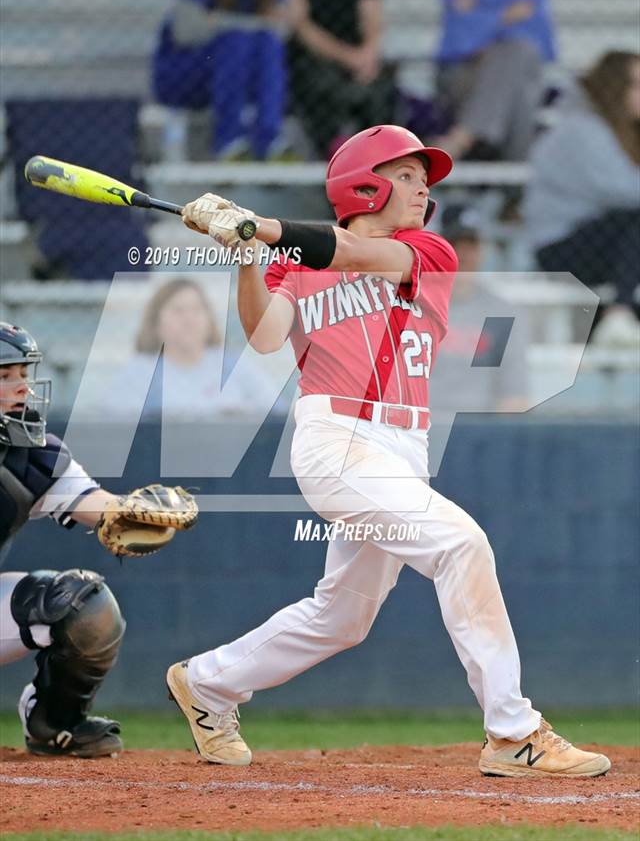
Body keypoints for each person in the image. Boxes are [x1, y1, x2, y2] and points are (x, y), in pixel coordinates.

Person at [168, 124, 610, 778]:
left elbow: (347, 252)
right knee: (462, 544)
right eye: (405, 174)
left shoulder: (426, 249)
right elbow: (265, 336)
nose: (421, 185)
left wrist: (256, 224)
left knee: (342, 616)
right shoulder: (294, 262)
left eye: (421, 176)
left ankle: (207, 683)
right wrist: (244, 255)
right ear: (364, 183)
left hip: (402, 448)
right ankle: (513, 730)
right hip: (338, 443)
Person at [0, 322, 195, 757]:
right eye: (4, 376)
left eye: (23, 376)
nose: (21, 389)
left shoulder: (31, 457)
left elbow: (101, 508)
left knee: (85, 606)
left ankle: (54, 723)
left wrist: (132, 512)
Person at [524, 51, 640, 348]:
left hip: (607, 245)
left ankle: (616, 320)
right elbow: (624, 191)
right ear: (615, 88)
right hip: (559, 249)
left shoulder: (620, 131)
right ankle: (620, 311)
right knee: (633, 220)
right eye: (637, 85)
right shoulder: (582, 129)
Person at [153, 0, 290, 160]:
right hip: (185, 76)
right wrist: (244, 27)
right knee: (236, 42)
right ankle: (229, 142)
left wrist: (218, 21)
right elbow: (185, 31)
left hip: (243, 73)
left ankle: (271, 140)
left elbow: (282, 28)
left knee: (269, 44)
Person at [103, 278, 278, 419]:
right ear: (156, 322)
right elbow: (119, 432)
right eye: (178, 311)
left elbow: (278, 414)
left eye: (197, 309)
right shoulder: (139, 373)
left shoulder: (234, 366)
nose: (189, 319)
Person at [434, 0, 555, 161]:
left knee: (518, 56)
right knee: (519, 76)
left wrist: (483, 14)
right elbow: (462, 32)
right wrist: (508, 15)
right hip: (464, 72)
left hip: (515, 69)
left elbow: (539, 35)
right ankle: (518, 177)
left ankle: (463, 137)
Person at [430, 202, 530, 413]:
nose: (464, 255)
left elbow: (514, 397)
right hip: (420, 430)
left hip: (477, 430)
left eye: (471, 245)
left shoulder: (500, 313)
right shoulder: (414, 307)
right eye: (455, 244)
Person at [287, 0, 395, 158]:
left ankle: (376, 152)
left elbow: (373, 19)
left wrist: (367, 56)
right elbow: (303, 28)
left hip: (357, 58)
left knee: (382, 83)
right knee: (321, 82)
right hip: (315, 58)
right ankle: (334, 152)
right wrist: (348, 58)